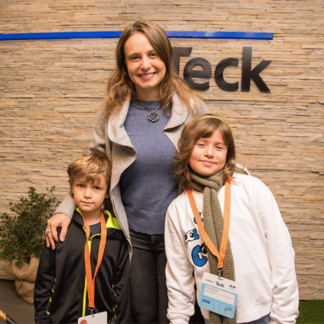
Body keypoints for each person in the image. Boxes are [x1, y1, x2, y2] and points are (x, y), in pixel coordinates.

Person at [45, 20, 209, 323]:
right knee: (141, 314)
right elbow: (94, 165)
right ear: (125, 64)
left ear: (166, 57)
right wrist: (66, 209)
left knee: (179, 315)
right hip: (132, 234)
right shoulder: (112, 112)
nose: (145, 64)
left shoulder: (193, 107)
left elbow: (214, 161)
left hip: (181, 233)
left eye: (152, 54)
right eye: (135, 57)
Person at [164, 113, 299, 324]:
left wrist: (283, 317)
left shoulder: (251, 189)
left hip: (262, 313)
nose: (209, 153)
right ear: (187, 149)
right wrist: (178, 319)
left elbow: (281, 254)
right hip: (212, 315)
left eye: (219, 147)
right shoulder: (178, 209)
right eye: (201, 144)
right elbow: (178, 275)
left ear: (228, 153)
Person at [34, 151, 130, 324]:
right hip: (61, 318)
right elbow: (44, 279)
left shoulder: (116, 234)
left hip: (103, 319)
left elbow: (122, 287)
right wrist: (42, 319)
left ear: (107, 192)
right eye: (80, 185)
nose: (87, 194)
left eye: (96, 188)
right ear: (71, 188)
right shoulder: (60, 229)